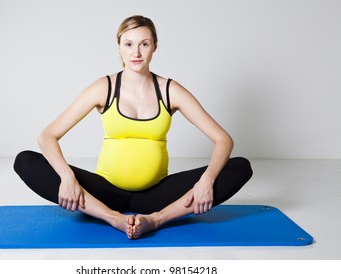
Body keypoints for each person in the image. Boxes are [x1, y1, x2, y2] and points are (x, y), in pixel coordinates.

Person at [14, 15, 253, 239]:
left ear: (154, 47)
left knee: (240, 168)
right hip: (104, 194)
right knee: (26, 161)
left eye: (144, 44)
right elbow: (48, 136)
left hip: (158, 196)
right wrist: (67, 177)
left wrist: (207, 180)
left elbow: (223, 139)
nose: (136, 52)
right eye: (128, 44)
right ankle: (113, 218)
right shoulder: (104, 87)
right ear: (119, 47)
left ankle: (157, 220)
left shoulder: (170, 90)